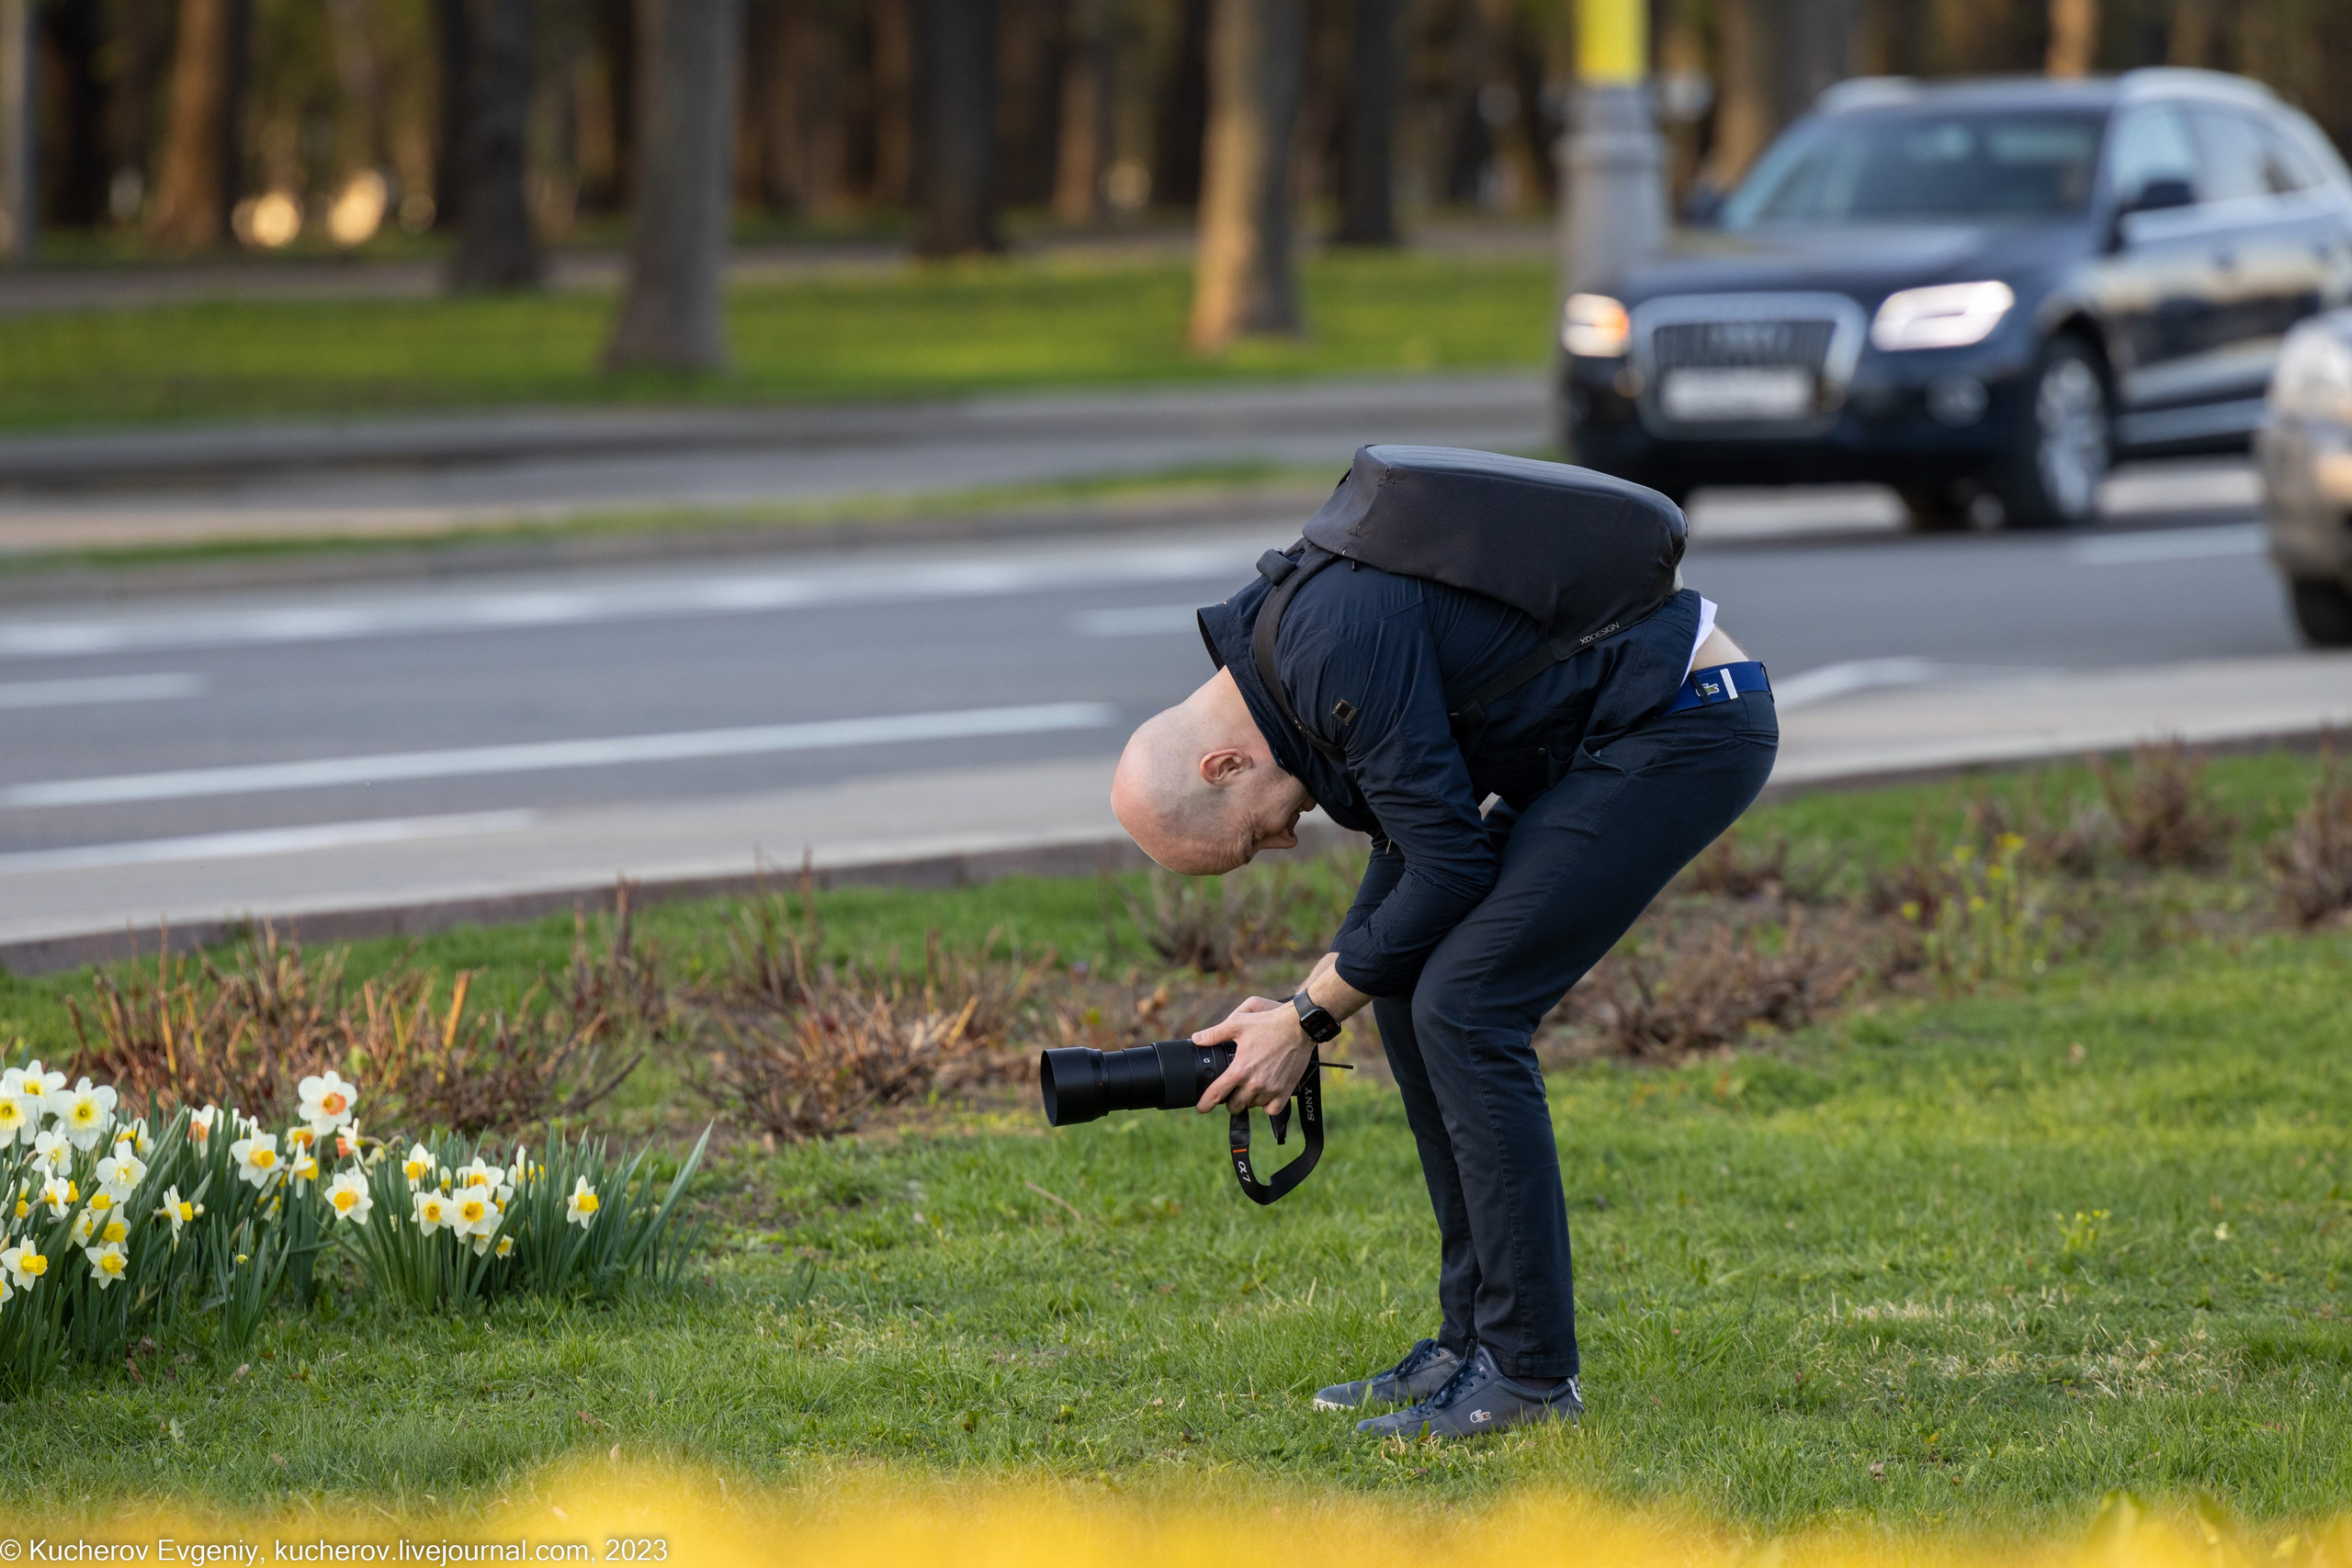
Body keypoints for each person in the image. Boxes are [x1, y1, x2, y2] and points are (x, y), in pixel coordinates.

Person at [1109, 478, 1778, 1439]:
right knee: (1407, 993)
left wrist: (1304, 1017)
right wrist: (1311, 1002)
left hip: (1681, 725)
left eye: (1252, 839)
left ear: (1224, 768)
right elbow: (1415, 854)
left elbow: (1449, 866)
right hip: (1603, 741)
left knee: (1466, 1006)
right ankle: (1472, 1342)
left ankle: (1529, 1376)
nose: (1284, 843)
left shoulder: (1322, 657)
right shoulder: (1289, 658)